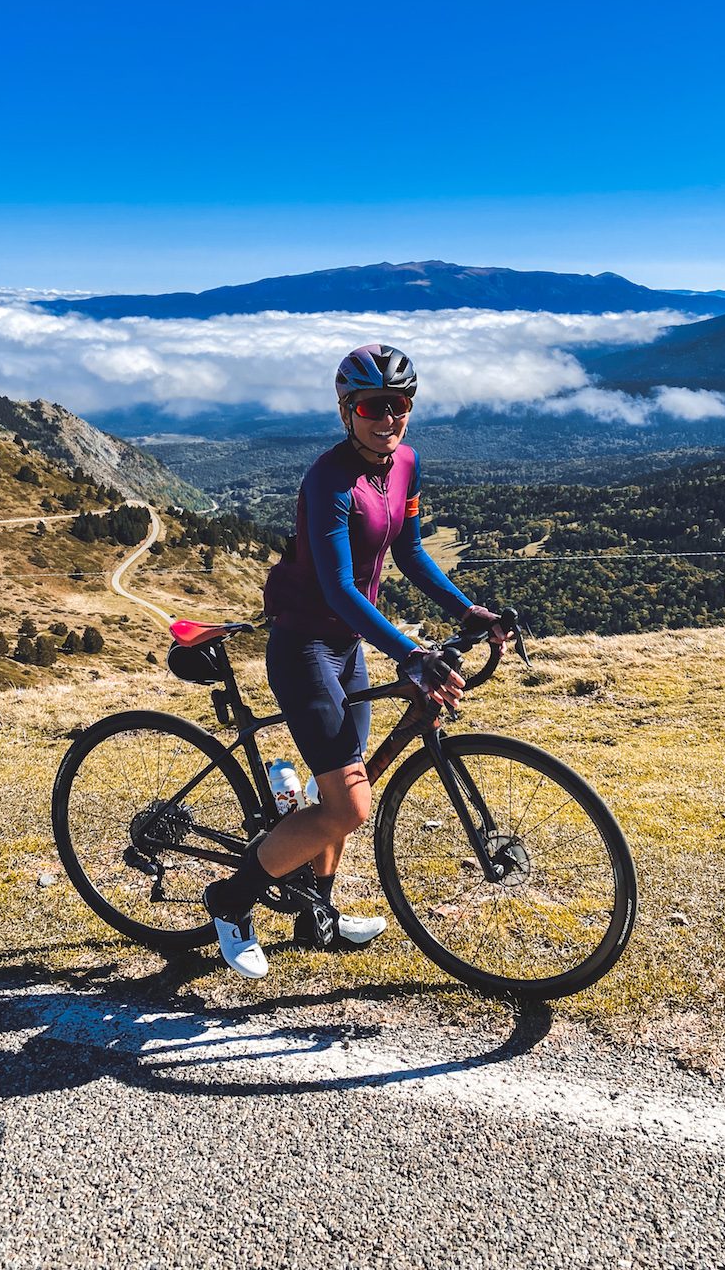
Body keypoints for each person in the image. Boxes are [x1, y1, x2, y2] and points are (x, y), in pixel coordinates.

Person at [204, 343, 508, 979]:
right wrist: (412, 653)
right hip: (307, 646)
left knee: (341, 788)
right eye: (372, 406)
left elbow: (411, 553)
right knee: (349, 806)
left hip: (348, 646)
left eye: (398, 405)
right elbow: (341, 588)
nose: (387, 418)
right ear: (347, 410)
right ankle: (230, 900)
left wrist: (468, 612)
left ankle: (316, 912)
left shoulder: (406, 464)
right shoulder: (328, 480)